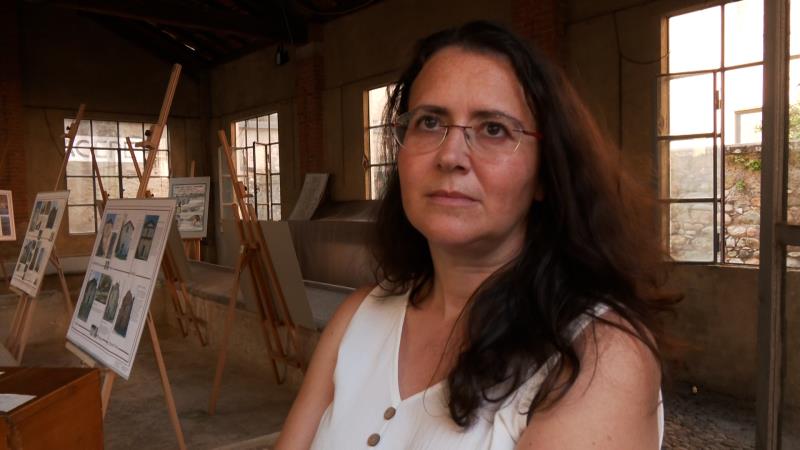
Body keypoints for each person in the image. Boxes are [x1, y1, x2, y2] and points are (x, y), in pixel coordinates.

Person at [276, 21, 677, 449]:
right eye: (430, 122)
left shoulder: (596, 354)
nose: (450, 155)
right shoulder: (358, 317)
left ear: (545, 173)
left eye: (493, 129)